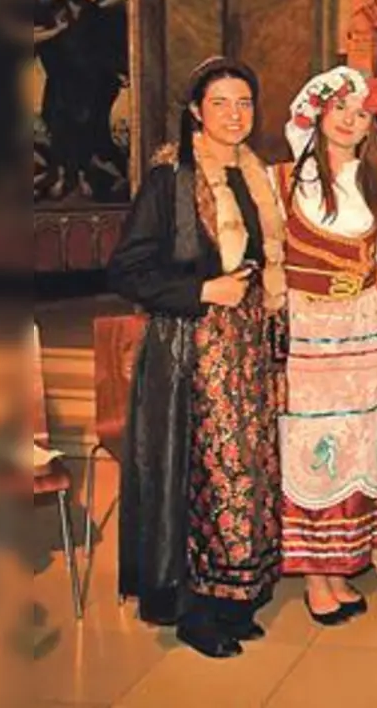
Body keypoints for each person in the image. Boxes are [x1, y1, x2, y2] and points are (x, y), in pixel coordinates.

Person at [107, 57, 288, 659]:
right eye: (221, 104)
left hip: (247, 356)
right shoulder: (171, 178)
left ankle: (235, 598)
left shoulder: (256, 177)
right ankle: (192, 608)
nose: (235, 115)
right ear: (195, 111)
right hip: (191, 351)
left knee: (246, 476)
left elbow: (267, 273)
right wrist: (203, 291)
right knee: (201, 476)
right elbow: (127, 269)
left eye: (244, 103)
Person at [273, 67, 377, 624]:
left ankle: (338, 566)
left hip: (361, 334)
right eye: (341, 110)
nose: (351, 121)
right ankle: (314, 576)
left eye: (361, 115)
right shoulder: (282, 180)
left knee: (354, 446)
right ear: (318, 113)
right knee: (310, 447)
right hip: (306, 335)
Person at [34, 0, 129, 201]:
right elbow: (40, 41)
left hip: (89, 83)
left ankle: (86, 177)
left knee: (88, 129)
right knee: (59, 127)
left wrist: (117, 71)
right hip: (61, 81)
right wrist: (58, 31)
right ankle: (64, 176)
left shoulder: (95, 14)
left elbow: (105, 48)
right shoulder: (54, 10)